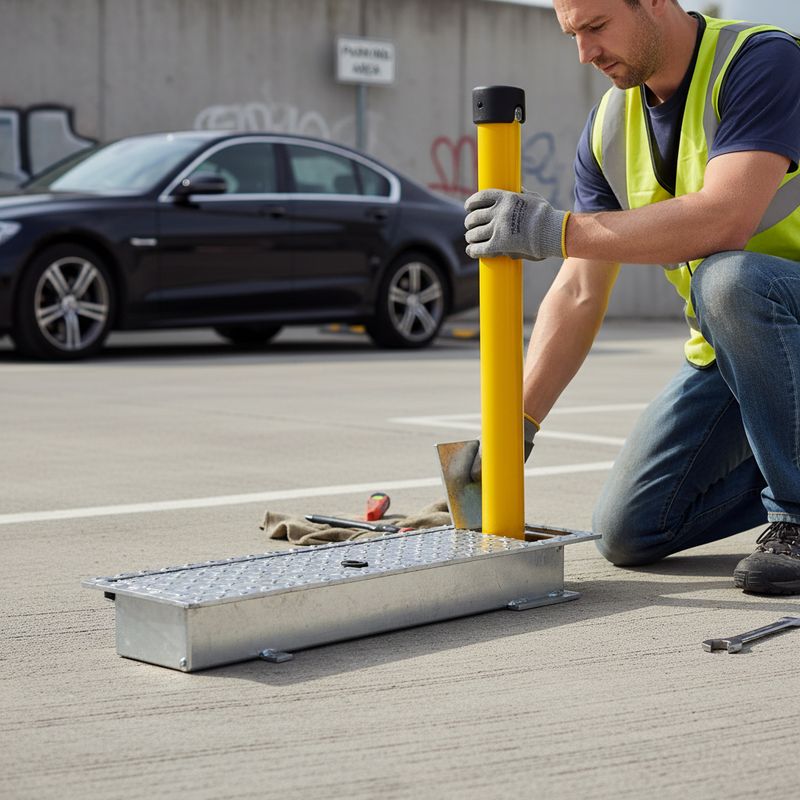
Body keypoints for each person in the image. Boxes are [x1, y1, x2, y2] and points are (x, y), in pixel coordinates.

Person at [463, 0, 800, 594]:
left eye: (595, 27)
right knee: (627, 531)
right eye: (573, 34)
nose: (585, 53)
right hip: (737, 349)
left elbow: (727, 218)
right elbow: (578, 289)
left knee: (726, 278)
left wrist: (555, 230)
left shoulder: (761, 61)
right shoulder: (608, 129)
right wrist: (515, 423)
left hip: (771, 309)